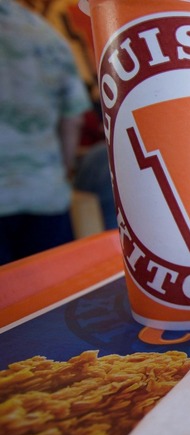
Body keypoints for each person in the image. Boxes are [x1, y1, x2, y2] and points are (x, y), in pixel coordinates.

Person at [0, 1, 91, 265]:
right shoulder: (45, 34)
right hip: (45, 191)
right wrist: (63, 169)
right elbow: (73, 119)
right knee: (48, 293)